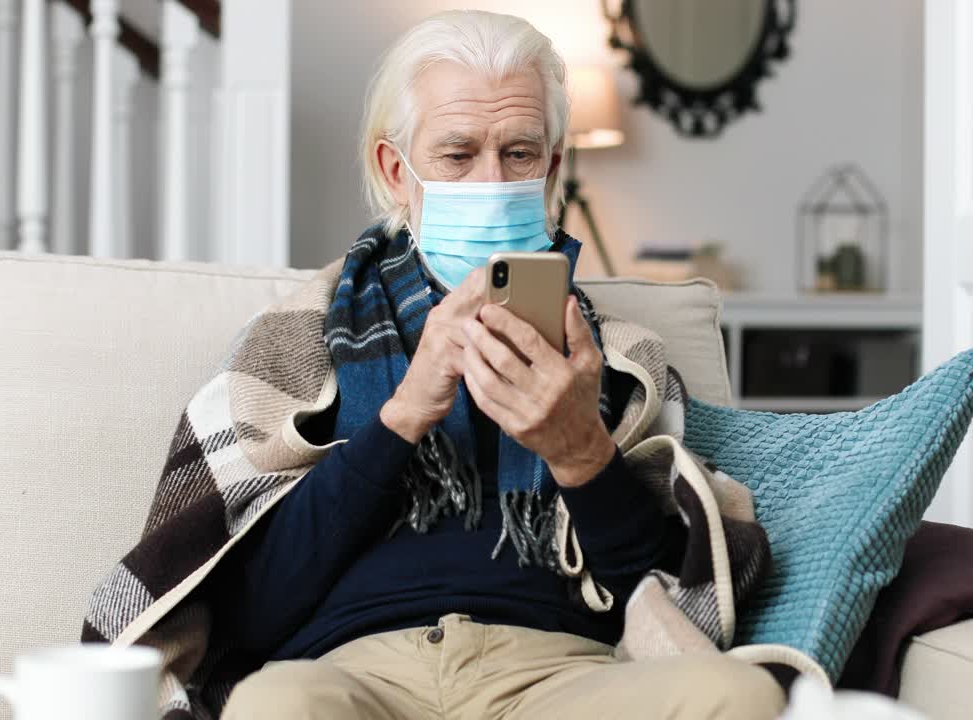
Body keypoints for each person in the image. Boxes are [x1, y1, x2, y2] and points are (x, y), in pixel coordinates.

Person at [215, 10, 787, 720]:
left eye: (519, 154)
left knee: (738, 695)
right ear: (397, 171)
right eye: (458, 155)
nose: (491, 181)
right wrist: (402, 417)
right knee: (272, 706)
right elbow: (249, 613)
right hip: (354, 674)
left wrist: (580, 451)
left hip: (560, 676)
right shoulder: (299, 344)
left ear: (551, 168)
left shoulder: (621, 360)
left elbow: (671, 602)